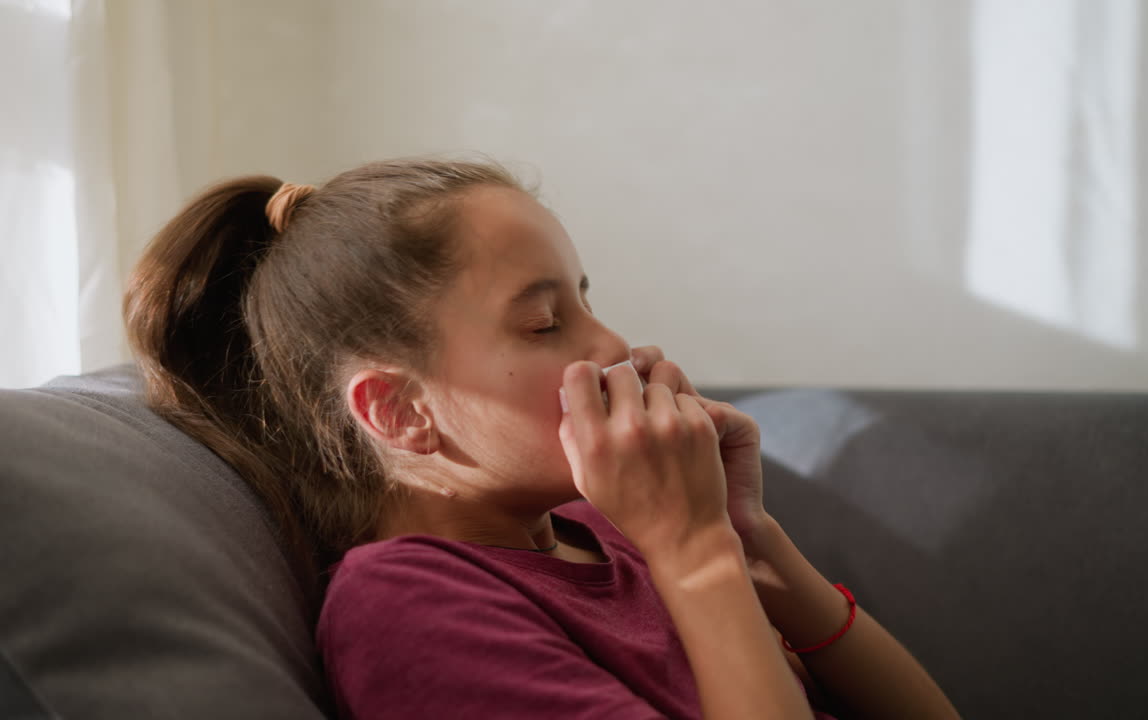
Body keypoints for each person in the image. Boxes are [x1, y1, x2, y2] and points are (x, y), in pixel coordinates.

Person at [124, 158, 960, 719]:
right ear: (400, 411)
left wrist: (750, 547)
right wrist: (694, 551)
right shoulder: (410, 608)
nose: (612, 346)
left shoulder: (603, 532)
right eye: (545, 323)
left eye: (587, 302)